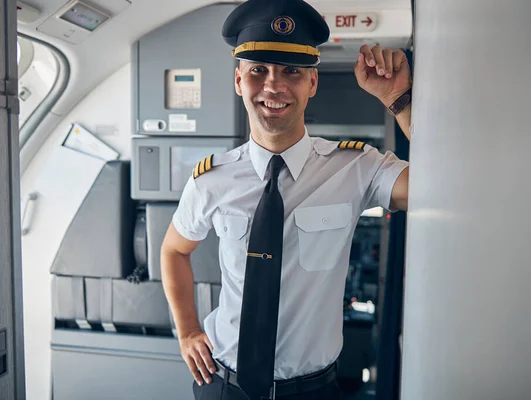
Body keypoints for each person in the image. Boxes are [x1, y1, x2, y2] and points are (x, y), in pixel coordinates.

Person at [160, 0, 411, 398]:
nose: (273, 86)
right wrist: (188, 330)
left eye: (291, 71)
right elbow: (174, 250)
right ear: (239, 81)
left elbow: (437, 186)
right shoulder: (212, 179)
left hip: (312, 389)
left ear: (312, 83)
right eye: (258, 70)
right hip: (222, 384)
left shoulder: (356, 167)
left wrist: (400, 101)